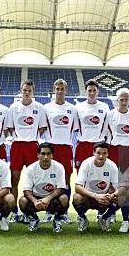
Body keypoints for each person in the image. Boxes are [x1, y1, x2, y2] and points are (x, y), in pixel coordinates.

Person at [5, 80, 47, 222]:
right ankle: (14, 211)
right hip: (17, 145)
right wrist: (19, 136)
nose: (27, 93)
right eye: (24, 90)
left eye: (29, 90)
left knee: (34, 180)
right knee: (14, 178)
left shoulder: (39, 107)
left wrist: (32, 137)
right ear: (21, 91)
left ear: (33, 92)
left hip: (32, 146)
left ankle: (30, 211)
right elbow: (9, 127)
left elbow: (42, 127)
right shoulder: (13, 107)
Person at [104, 88, 129, 229]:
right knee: (112, 183)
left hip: (128, 151)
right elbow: (106, 133)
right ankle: (111, 213)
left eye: (126, 99)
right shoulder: (110, 115)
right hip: (113, 149)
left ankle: (128, 212)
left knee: (128, 183)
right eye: (121, 99)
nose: (124, 102)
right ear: (117, 100)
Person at [43, 79, 78, 223]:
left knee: (66, 180)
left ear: (66, 90)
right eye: (57, 88)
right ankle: (48, 211)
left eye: (62, 89)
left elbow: (75, 129)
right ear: (54, 89)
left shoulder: (72, 109)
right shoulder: (46, 108)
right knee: (48, 179)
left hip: (66, 148)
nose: (59, 91)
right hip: (51, 147)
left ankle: (63, 211)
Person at [19, 143, 68, 233]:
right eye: (43, 154)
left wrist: (48, 198)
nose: (45, 157)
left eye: (48, 154)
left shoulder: (59, 167)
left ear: (52, 155)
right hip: (36, 199)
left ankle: (57, 220)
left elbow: (61, 188)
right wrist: (35, 201)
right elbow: (26, 190)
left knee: (64, 198)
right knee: (22, 201)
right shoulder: (31, 168)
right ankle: (33, 219)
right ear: (38, 155)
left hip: (52, 199)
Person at [73, 142, 121, 232]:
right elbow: (77, 187)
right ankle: (83, 218)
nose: (101, 156)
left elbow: (120, 188)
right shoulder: (86, 164)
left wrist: (111, 195)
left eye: (104, 153)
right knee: (76, 197)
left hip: (104, 199)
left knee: (122, 197)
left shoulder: (112, 166)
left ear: (108, 154)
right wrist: (95, 196)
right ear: (94, 153)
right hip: (88, 198)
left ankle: (104, 218)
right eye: (98, 153)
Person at [74, 79, 109, 169]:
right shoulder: (78, 107)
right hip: (82, 145)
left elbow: (108, 127)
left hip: (99, 145)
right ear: (86, 91)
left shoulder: (104, 107)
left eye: (94, 90)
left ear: (98, 92)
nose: (92, 93)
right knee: (81, 172)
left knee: (98, 172)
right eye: (89, 90)